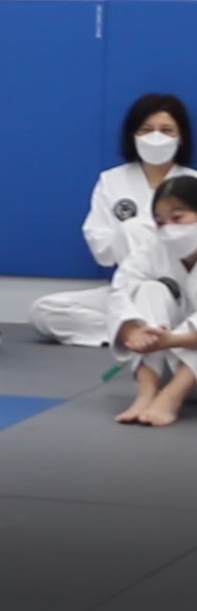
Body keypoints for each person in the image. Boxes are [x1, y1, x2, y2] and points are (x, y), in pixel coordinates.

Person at [31, 94, 197, 346]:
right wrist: (133, 233)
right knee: (44, 311)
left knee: (137, 233)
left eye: (166, 130)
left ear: (181, 136)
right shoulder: (112, 180)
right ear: (133, 135)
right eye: (146, 130)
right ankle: (139, 333)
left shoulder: (192, 181)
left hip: (188, 288)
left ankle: (162, 332)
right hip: (131, 281)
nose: (156, 137)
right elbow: (102, 250)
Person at [107, 176, 197, 426]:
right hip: (167, 362)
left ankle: (172, 396)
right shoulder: (155, 246)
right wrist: (134, 331)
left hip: (186, 366)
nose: (168, 229)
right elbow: (121, 289)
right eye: (160, 221)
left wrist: (173, 340)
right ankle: (146, 393)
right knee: (149, 290)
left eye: (177, 218)